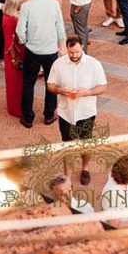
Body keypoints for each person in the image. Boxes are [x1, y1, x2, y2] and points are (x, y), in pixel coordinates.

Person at [47, 35, 107, 185]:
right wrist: (61, 90)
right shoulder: (58, 64)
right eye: (71, 52)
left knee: (86, 143)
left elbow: (103, 87)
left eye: (77, 52)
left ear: (82, 48)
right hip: (66, 112)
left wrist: (87, 92)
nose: (74, 56)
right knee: (67, 144)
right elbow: (50, 85)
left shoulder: (94, 65)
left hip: (86, 112)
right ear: (66, 49)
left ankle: (85, 169)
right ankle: (67, 176)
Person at [16, 0, 67, 128]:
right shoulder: (54, 4)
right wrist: (61, 46)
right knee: (50, 83)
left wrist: (24, 41)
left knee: (28, 83)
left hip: (33, 49)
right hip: (50, 49)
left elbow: (20, 31)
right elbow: (60, 28)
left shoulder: (26, 6)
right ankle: (49, 114)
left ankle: (27, 117)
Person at [1, 0, 23, 117]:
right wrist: (14, 58)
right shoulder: (10, 20)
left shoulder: (8, 16)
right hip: (14, 54)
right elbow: (9, 42)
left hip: (17, 51)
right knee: (15, 83)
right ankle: (16, 108)